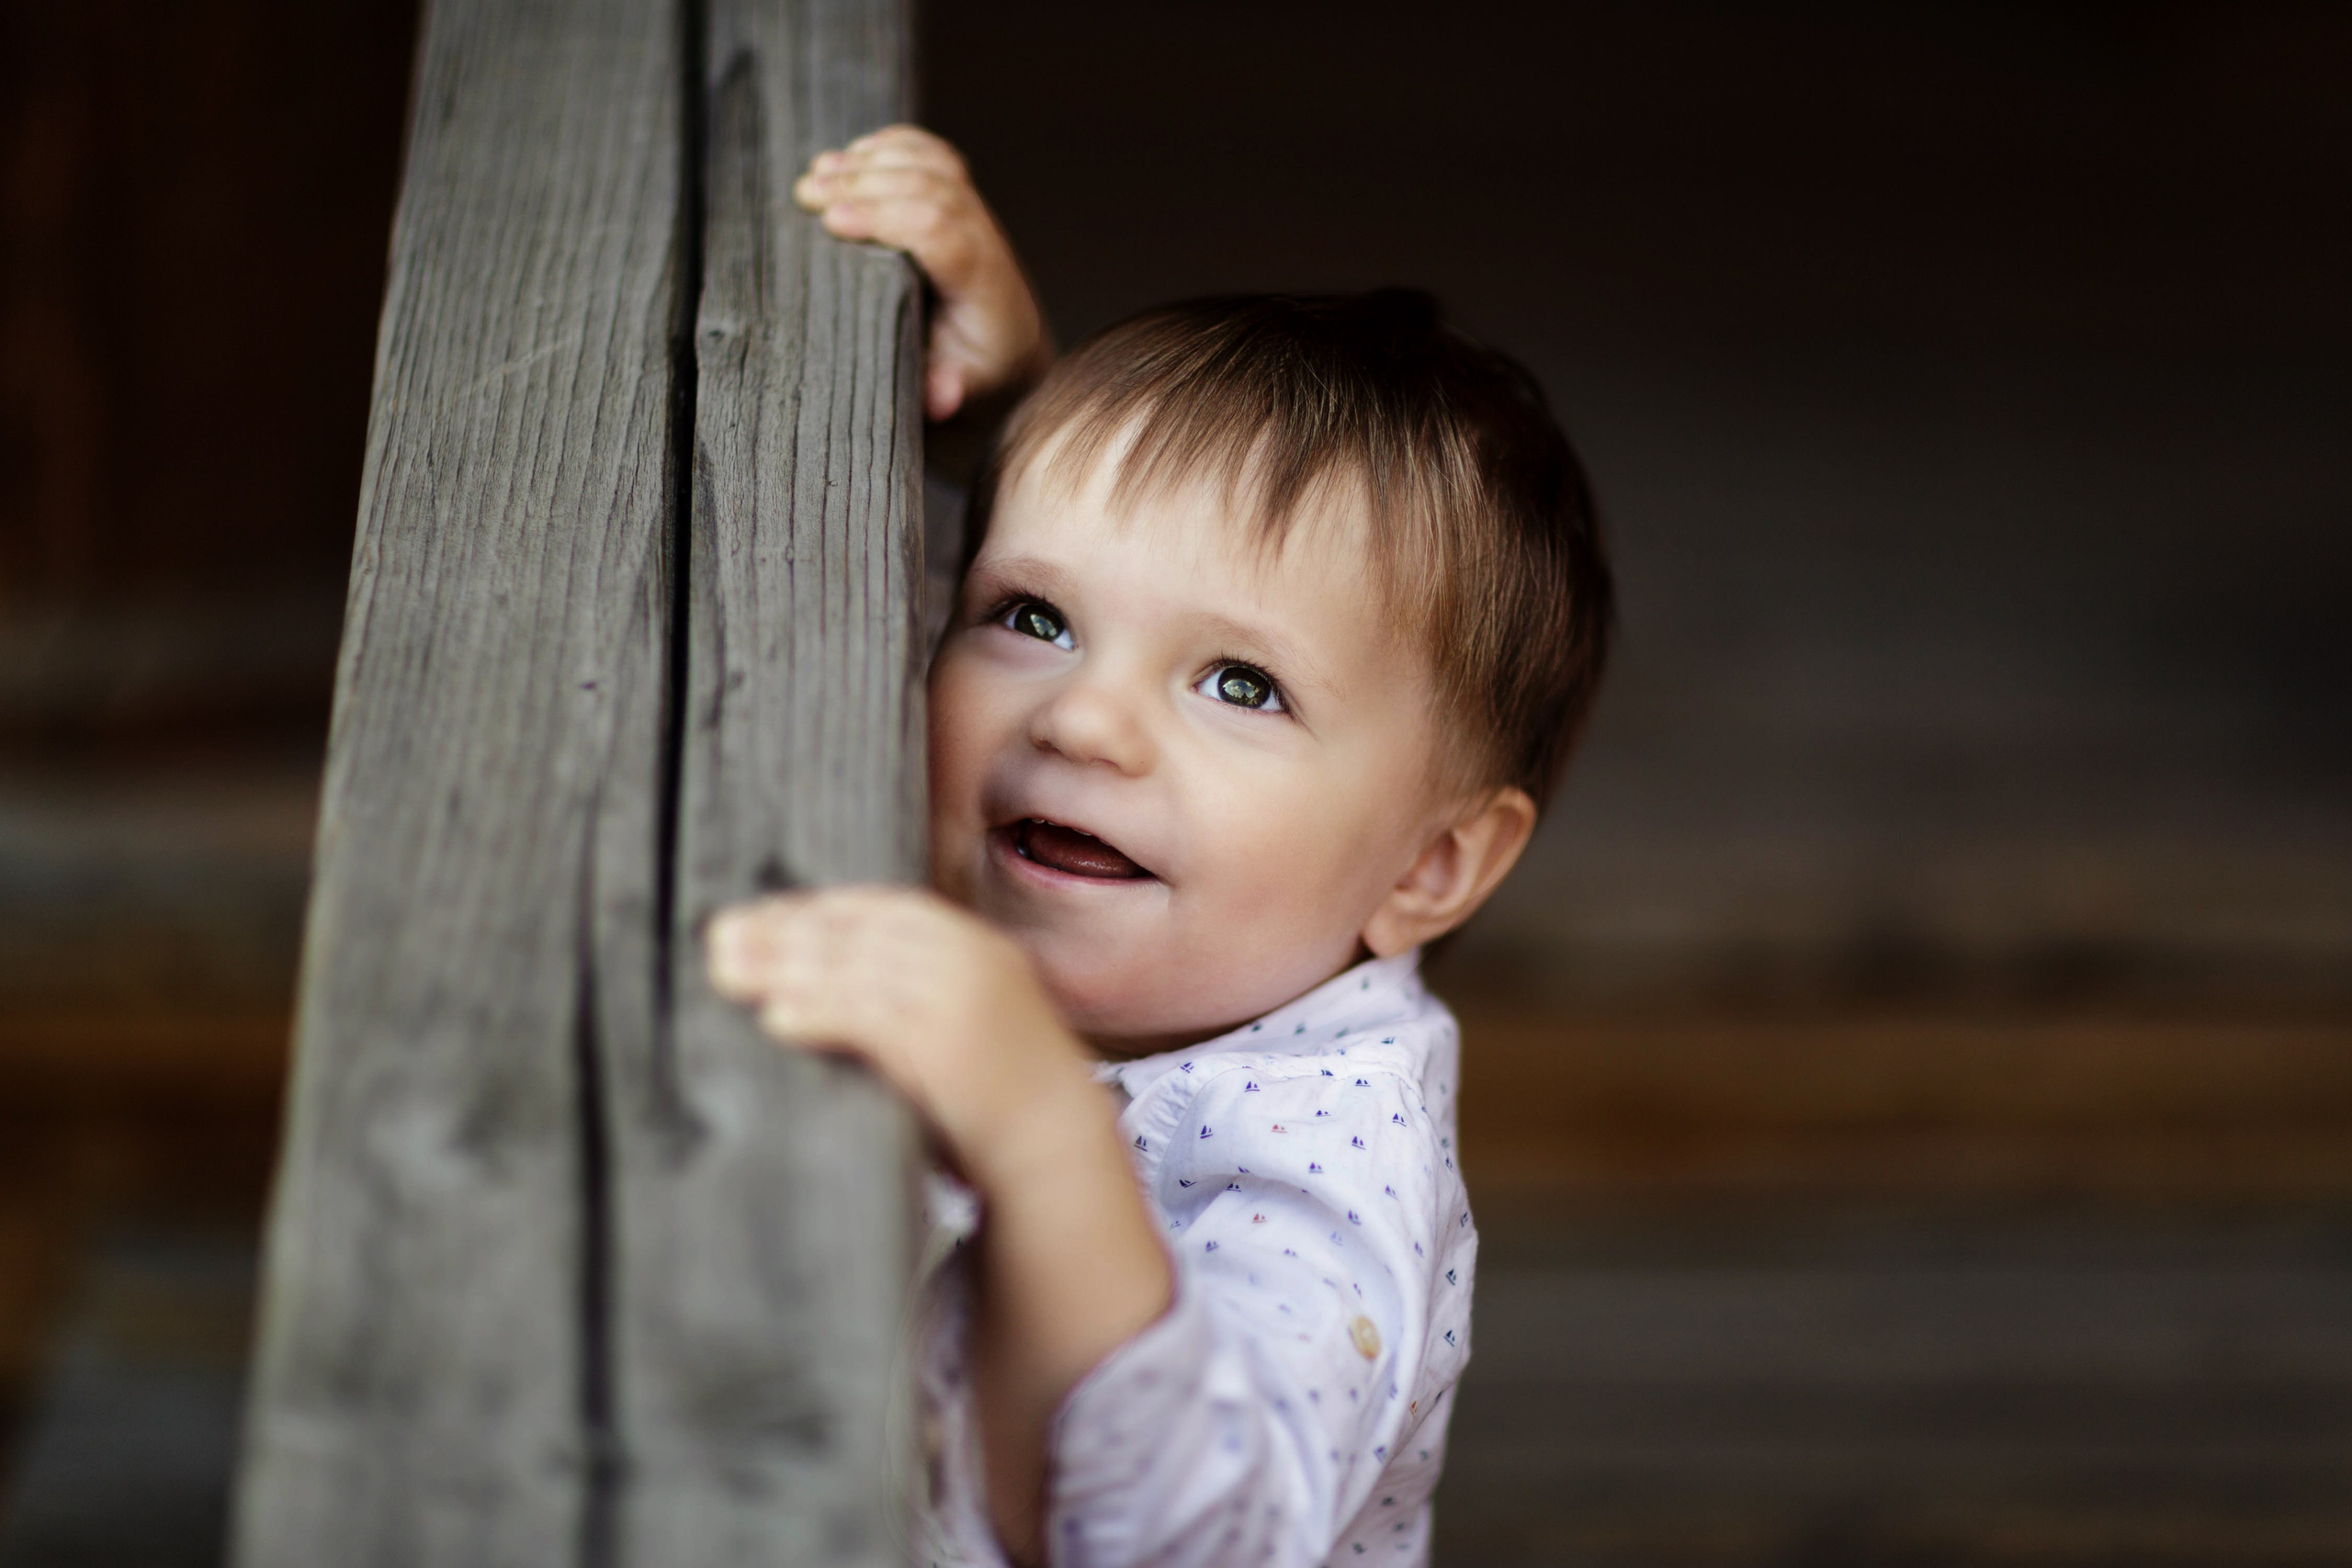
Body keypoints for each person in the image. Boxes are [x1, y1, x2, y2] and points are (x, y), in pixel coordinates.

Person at [705, 126, 1611, 1568]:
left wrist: (1035, 1128)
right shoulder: (1075, 828)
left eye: (1241, 686)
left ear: (1426, 870)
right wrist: (997, 396)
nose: (1086, 723)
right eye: (1034, 619)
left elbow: (1197, 1534)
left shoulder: (1331, 1153)